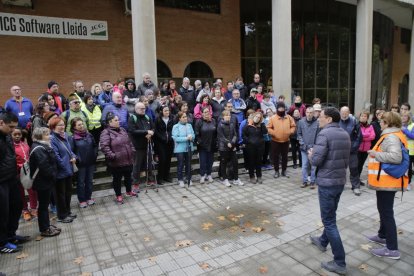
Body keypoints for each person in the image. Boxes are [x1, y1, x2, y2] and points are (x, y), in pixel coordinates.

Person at [309, 107, 351, 275]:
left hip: (327, 182)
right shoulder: (344, 134)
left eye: (322, 116)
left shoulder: (324, 134)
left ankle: (340, 262)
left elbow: (317, 161)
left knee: (329, 221)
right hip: (339, 181)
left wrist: (312, 154)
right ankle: (322, 241)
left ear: (329, 119)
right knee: (331, 216)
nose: (318, 118)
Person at [367, 111, 408, 260]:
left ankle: (392, 249)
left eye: (382, 120)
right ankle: (382, 235)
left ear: (388, 123)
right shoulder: (393, 134)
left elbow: (396, 157)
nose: (380, 122)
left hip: (388, 182)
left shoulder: (391, 136)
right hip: (386, 181)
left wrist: (374, 154)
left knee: (386, 213)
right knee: (383, 210)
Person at [0, 112, 26, 254]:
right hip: (1, 182)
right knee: (2, 213)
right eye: (10, 127)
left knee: (16, 206)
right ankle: (2, 242)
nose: (13, 130)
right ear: (1, 123)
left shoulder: (7, 136)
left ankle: (11, 235)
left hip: (11, 178)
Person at [29, 127, 61, 237]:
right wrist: (53, 175)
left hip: (45, 181)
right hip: (42, 182)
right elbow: (45, 166)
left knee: (44, 205)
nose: (50, 136)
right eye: (47, 134)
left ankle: (46, 225)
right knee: (43, 206)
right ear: (40, 136)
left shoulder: (43, 145)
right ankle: (44, 229)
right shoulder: (38, 148)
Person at [100, 113, 137, 204]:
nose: (118, 122)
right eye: (116, 120)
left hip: (128, 159)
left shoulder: (123, 130)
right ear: (110, 122)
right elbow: (104, 147)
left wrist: (132, 150)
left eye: (118, 120)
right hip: (116, 162)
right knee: (117, 180)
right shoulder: (106, 132)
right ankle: (119, 195)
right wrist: (113, 156)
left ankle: (129, 191)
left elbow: (129, 142)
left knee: (128, 177)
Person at [49, 117, 77, 223]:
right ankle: (62, 215)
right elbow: (56, 157)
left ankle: (68, 212)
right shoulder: (52, 139)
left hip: (68, 169)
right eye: (59, 125)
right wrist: (65, 167)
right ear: (53, 127)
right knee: (60, 194)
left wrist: (74, 157)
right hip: (60, 172)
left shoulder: (64, 136)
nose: (62, 127)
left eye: (63, 124)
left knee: (68, 193)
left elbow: (70, 150)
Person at [69, 118, 97, 208]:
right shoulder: (72, 138)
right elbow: (71, 152)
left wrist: (94, 155)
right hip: (81, 165)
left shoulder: (89, 135)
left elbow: (94, 146)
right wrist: (77, 159)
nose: (81, 126)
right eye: (79, 125)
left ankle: (88, 197)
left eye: (82, 124)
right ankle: (82, 200)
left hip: (90, 162)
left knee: (89, 181)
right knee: (81, 182)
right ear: (74, 127)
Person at [128, 102, 155, 191]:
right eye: (141, 109)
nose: (143, 110)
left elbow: (153, 128)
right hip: (137, 146)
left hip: (148, 144)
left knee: (149, 163)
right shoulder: (132, 118)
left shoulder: (147, 117)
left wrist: (150, 134)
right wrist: (146, 132)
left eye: (144, 108)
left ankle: (150, 180)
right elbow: (132, 131)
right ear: (136, 109)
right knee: (137, 165)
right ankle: (135, 183)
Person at [12, 127, 38, 221]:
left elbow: (29, 155)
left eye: (19, 134)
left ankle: (34, 208)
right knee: (20, 193)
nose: (17, 136)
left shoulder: (25, 144)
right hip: (18, 173)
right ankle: (25, 210)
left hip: (28, 171)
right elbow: (11, 160)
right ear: (11, 135)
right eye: (15, 134)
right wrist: (19, 165)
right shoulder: (11, 147)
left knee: (32, 190)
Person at [267, 102, 296, 178]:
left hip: (286, 141)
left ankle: (284, 171)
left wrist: (290, 132)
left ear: (284, 109)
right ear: (277, 109)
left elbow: (293, 126)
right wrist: (274, 133)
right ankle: (276, 171)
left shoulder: (289, 117)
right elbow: (268, 128)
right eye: (279, 108)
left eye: (282, 108)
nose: (281, 109)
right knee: (275, 157)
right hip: (275, 141)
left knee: (285, 157)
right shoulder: (273, 118)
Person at [339, 106, 362, 196]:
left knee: (354, 168)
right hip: (340, 150)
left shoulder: (354, 121)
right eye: (343, 112)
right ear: (340, 112)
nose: (344, 114)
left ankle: (356, 187)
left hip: (352, 150)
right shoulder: (336, 121)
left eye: (346, 112)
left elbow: (359, 136)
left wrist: (354, 147)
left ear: (349, 112)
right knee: (340, 169)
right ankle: (340, 185)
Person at [217, 110, 243, 187]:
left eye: (229, 115)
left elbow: (235, 134)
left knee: (235, 163)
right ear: (223, 116)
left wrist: (232, 143)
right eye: (227, 115)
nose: (228, 116)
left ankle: (236, 179)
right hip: (223, 148)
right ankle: (225, 179)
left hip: (232, 146)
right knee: (224, 163)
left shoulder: (232, 124)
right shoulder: (220, 125)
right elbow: (221, 136)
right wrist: (227, 143)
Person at [242, 112, 268, 184]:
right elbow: (243, 135)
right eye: (256, 116)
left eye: (259, 117)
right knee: (251, 162)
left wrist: (262, 124)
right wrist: (249, 141)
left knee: (259, 162)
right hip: (250, 147)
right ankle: (252, 176)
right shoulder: (247, 126)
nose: (257, 118)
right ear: (253, 116)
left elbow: (265, 132)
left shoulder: (261, 126)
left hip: (260, 147)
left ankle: (259, 176)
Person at [172, 111, 195, 187]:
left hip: (189, 148)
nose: (186, 118)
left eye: (186, 117)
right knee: (180, 164)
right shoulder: (176, 126)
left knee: (188, 164)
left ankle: (188, 178)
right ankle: (180, 179)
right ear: (179, 119)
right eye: (183, 117)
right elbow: (176, 138)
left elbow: (193, 135)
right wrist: (186, 138)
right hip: (180, 149)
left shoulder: (189, 125)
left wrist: (192, 137)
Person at [297, 107, 318, 188]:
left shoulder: (317, 122)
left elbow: (319, 136)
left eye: (311, 112)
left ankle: (312, 181)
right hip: (304, 148)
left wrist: (314, 147)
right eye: (307, 112)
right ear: (305, 113)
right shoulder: (301, 122)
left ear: (313, 113)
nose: (309, 114)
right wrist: (302, 144)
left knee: (313, 166)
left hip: (314, 149)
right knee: (304, 165)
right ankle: (304, 181)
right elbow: (299, 134)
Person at [195, 107, 217, 184]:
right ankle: (202, 176)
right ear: (202, 113)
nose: (207, 113)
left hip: (212, 145)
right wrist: (200, 142)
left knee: (210, 161)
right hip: (202, 146)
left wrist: (215, 142)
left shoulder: (213, 121)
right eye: (205, 112)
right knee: (203, 161)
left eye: (208, 111)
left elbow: (216, 133)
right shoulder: (199, 122)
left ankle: (209, 174)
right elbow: (197, 134)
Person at [154, 106, 175, 184]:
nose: (167, 112)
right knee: (162, 159)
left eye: (168, 110)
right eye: (165, 111)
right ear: (161, 111)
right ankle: (160, 178)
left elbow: (173, 129)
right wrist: (162, 137)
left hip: (169, 142)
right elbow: (155, 130)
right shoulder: (158, 119)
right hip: (160, 142)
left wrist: (170, 137)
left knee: (168, 159)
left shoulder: (172, 118)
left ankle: (167, 176)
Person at [357, 110, 375, 185]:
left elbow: (373, 136)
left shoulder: (370, 126)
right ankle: (354, 180)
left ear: (367, 118)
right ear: (359, 117)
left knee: (361, 165)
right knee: (357, 165)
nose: (363, 117)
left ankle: (358, 179)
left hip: (366, 149)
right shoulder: (357, 125)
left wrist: (363, 137)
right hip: (358, 148)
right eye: (362, 116)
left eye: (365, 116)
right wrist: (366, 135)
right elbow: (358, 136)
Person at [401, 112, 414, 191]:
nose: (403, 117)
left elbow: (413, 136)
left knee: (409, 168)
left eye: (405, 116)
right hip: (404, 149)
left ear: (409, 117)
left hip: (412, 150)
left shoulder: (412, 125)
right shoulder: (401, 125)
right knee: (405, 166)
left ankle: (408, 183)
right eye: (402, 116)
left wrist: (405, 131)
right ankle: (404, 182)